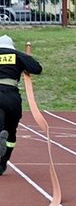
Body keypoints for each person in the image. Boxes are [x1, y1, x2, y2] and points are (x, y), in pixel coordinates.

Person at [0, 35, 43, 175]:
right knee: (11, 133)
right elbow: (37, 69)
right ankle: (3, 162)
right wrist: (26, 59)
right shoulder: (17, 55)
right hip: (12, 97)